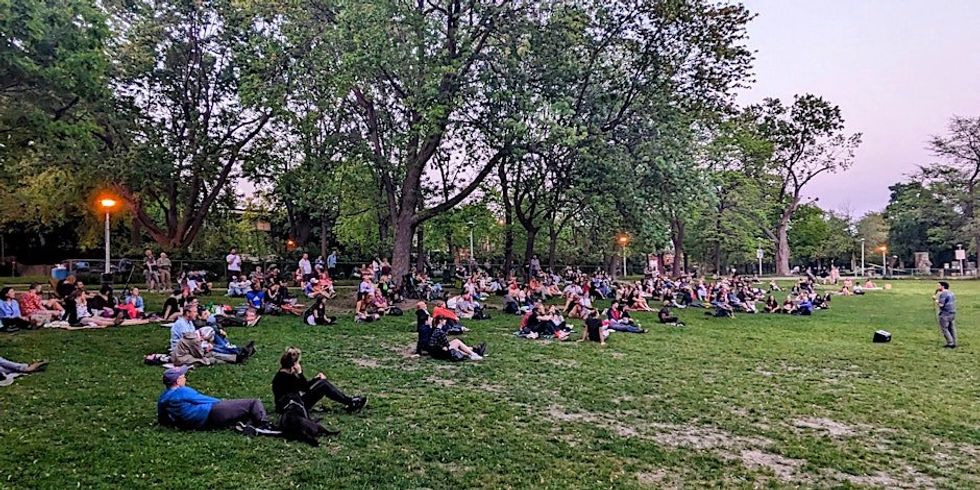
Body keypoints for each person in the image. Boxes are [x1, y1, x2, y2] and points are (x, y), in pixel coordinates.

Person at [157, 366, 273, 433]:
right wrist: (225, 403)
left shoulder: (163, 398)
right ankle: (264, 425)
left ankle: (244, 424)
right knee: (253, 403)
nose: (185, 378)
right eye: (183, 377)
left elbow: (163, 418)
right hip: (211, 413)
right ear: (177, 381)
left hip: (197, 424)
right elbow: (205, 400)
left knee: (239, 411)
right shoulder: (182, 391)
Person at [272, 347, 366, 414]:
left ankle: (349, 401)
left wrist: (316, 379)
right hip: (291, 407)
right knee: (324, 385)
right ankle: (350, 402)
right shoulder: (285, 378)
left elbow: (303, 386)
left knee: (322, 383)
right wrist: (300, 373)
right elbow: (305, 388)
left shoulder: (284, 374)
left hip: (292, 404)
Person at [935, 281, 957, 349]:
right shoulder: (952, 293)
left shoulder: (943, 294)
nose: (937, 287)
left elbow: (941, 305)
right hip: (952, 313)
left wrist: (936, 300)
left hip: (945, 314)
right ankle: (954, 342)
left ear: (943, 286)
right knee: (951, 328)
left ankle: (950, 343)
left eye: (938, 286)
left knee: (944, 329)